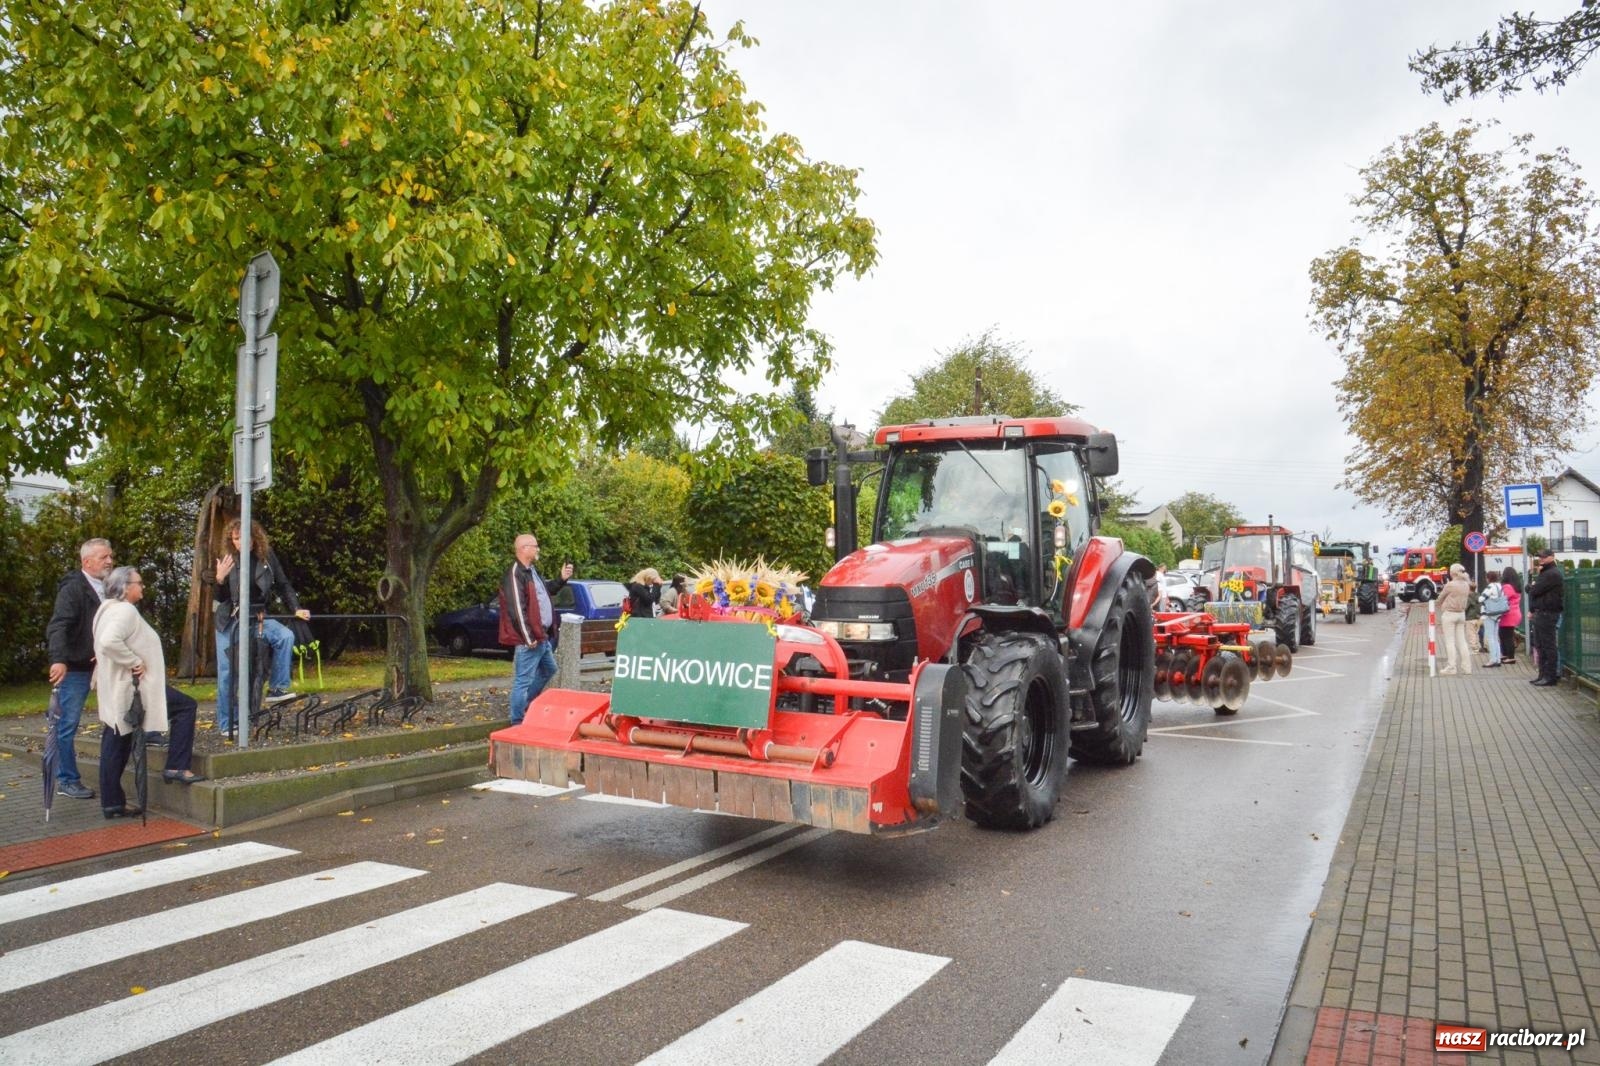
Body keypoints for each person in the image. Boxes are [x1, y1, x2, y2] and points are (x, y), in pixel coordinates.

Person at [93, 567, 205, 817]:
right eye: (139, 582)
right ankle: (176, 765)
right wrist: (134, 661)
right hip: (134, 688)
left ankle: (112, 803)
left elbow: (104, 644)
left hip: (117, 687)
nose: (142, 587)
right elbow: (108, 642)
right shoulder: (125, 611)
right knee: (186, 706)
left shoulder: (106, 609)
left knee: (116, 743)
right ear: (125, 587)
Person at [213, 518, 310, 739]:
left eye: (244, 537)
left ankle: (277, 688)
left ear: (254, 537)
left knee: (285, 636)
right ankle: (228, 722)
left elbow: (284, 585)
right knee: (228, 673)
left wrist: (296, 608)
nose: (240, 542)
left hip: (258, 616)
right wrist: (219, 579)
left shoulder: (266, 557)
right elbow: (219, 599)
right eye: (235, 539)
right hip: (230, 620)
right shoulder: (228, 558)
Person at [44, 538, 116, 800]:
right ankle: (66, 780)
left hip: (105, 664)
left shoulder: (109, 587)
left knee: (122, 711)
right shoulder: (73, 589)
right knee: (65, 725)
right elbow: (59, 625)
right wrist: (59, 659)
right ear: (87, 562)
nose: (109, 561)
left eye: (110, 556)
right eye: (103, 557)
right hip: (75, 667)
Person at [499, 533, 573, 725]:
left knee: (550, 669)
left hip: (542, 637)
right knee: (522, 681)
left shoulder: (531, 571)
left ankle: (525, 706)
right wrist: (527, 637)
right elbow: (516, 609)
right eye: (535, 546)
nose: (538, 549)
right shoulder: (515, 573)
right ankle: (517, 721)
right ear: (524, 548)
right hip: (530, 640)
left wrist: (561, 579)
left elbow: (545, 592)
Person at [1527, 549, 1564, 686]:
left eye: (1544, 556)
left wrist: (1531, 588)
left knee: (1548, 645)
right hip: (1541, 612)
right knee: (1540, 645)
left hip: (1548, 612)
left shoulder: (1552, 574)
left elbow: (1535, 590)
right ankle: (1542, 675)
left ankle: (1550, 676)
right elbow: (1534, 590)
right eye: (1540, 556)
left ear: (1552, 557)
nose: (1541, 558)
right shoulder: (1546, 572)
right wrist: (1532, 588)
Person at [1435, 563, 1472, 675]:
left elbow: (1440, 598)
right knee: (1462, 641)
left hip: (1450, 614)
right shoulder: (1466, 584)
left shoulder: (1450, 585)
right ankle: (1467, 668)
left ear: (1453, 573)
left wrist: (1436, 604)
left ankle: (1452, 667)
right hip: (1461, 614)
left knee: (1450, 642)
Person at [1479, 572, 1509, 667]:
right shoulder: (1500, 586)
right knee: (1495, 637)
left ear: (1488, 578)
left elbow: (1481, 599)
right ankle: (1498, 659)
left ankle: (1492, 659)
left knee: (1490, 637)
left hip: (1489, 614)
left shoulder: (1490, 587)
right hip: (1498, 613)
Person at [1497, 566, 1523, 666]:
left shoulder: (1507, 587)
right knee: (1505, 634)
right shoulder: (1516, 586)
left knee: (1506, 636)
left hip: (1508, 614)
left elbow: (1502, 598)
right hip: (1514, 613)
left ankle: (1510, 657)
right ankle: (1506, 655)